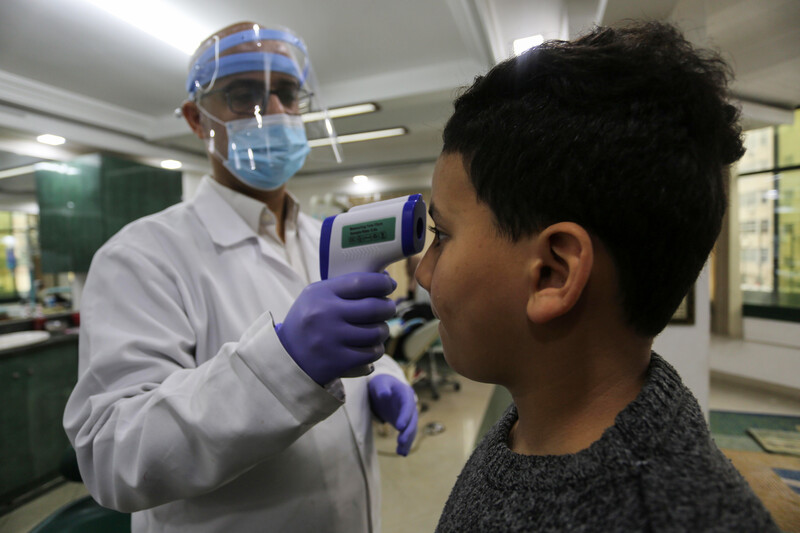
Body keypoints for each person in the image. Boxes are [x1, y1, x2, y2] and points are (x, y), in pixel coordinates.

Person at [416, 21, 780, 532]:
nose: (424, 272)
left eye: (442, 235)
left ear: (553, 273)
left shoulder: (683, 516)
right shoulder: (530, 428)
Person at [63, 21, 417, 533]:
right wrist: (284, 365)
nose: (271, 112)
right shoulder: (140, 256)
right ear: (196, 117)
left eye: (286, 93)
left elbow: (351, 353)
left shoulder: (327, 237)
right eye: (243, 94)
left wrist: (384, 377)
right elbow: (113, 457)